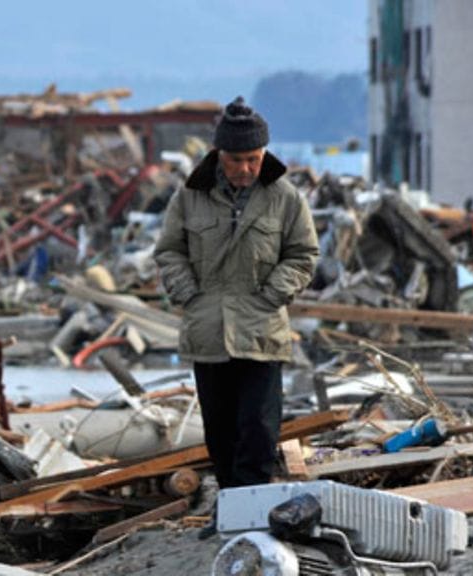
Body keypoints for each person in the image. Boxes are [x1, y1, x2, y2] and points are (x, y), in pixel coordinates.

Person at [153, 96, 319, 538]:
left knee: (259, 430)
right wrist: (188, 293)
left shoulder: (284, 198)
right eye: (235, 160)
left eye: (252, 159)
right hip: (208, 328)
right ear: (218, 156)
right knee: (220, 431)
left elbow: (303, 254)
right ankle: (229, 511)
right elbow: (169, 251)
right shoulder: (190, 197)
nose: (244, 168)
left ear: (263, 155)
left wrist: (273, 294)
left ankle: (252, 512)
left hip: (261, 327)